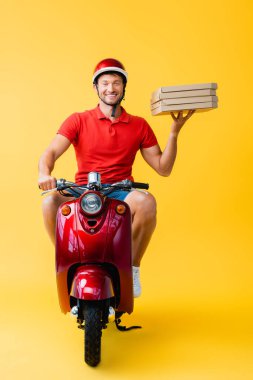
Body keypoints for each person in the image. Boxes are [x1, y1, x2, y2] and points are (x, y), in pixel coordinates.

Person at [38, 58, 195, 298]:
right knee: (49, 202)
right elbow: (50, 152)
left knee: (147, 202)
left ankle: (131, 269)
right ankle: (66, 261)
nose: (111, 88)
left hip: (119, 190)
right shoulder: (78, 120)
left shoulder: (139, 125)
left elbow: (163, 168)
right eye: (105, 83)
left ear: (124, 88)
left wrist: (174, 132)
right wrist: (44, 173)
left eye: (116, 83)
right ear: (96, 88)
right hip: (83, 189)